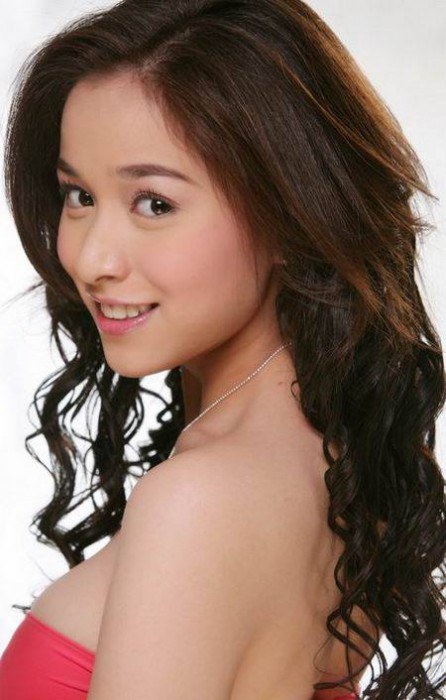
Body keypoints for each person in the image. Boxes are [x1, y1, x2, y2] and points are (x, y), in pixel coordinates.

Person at [0, 1, 445, 698]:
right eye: (78, 195)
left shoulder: (200, 501)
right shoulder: (343, 467)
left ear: (290, 212)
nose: (90, 259)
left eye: (154, 203)